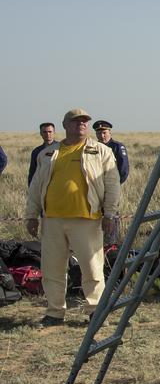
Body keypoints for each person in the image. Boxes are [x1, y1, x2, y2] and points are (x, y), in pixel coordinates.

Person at [25, 109, 121, 327]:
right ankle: (54, 313)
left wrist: (109, 213)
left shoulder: (101, 151)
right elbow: (35, 187)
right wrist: (31, 215)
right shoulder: (48, 154)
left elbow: (112, 184)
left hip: (87, 219)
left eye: (84, 121)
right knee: (52, 269)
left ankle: (95, 311)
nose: (82, 124)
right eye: (76, 121)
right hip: (52, 220)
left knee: (92, 268)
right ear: (65, 124)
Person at [92, 120, 130, 185]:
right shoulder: (93, 148)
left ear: (110, 133)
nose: (102, 136)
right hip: (96, 185)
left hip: (113, 184)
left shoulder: (117, 147)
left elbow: (123, 169)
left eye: (104, 133)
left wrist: (116, 184)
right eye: (99, 133)